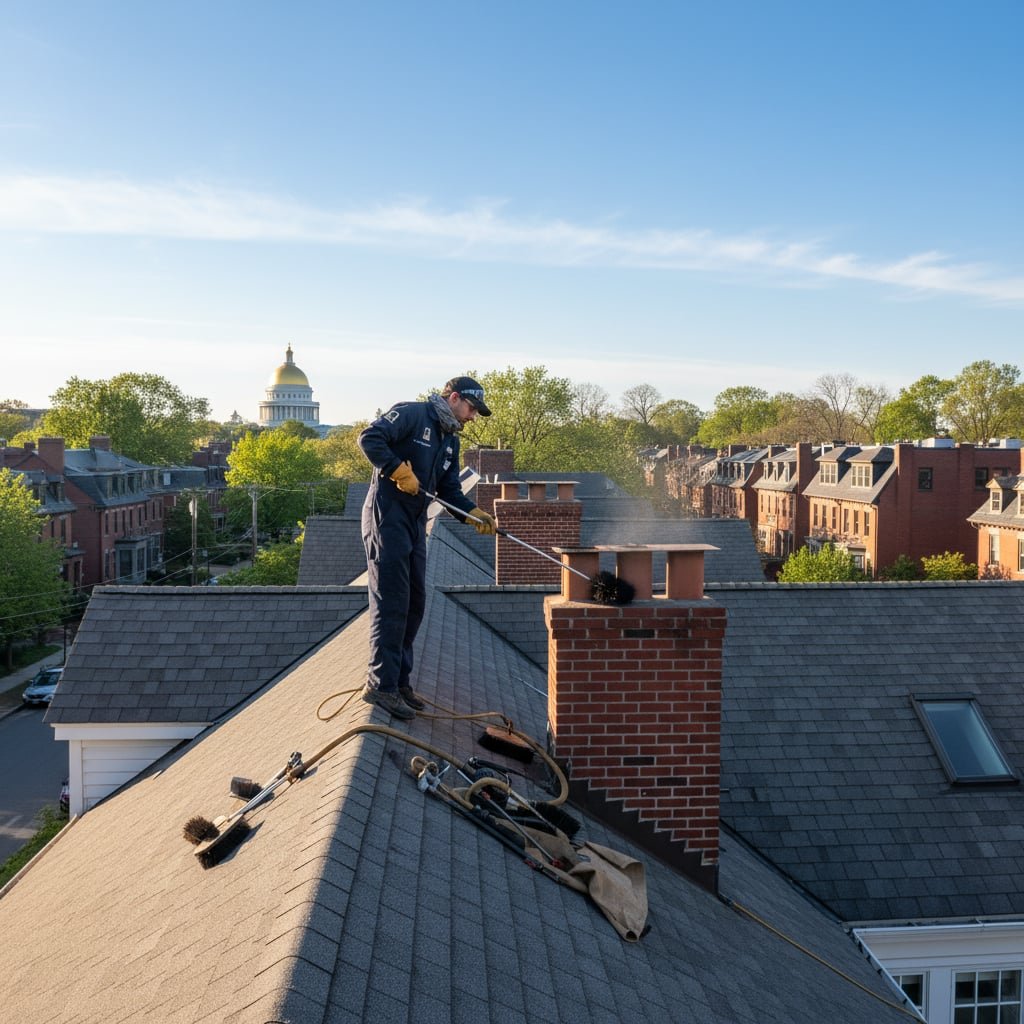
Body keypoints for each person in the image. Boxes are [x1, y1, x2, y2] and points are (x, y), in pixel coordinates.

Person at [357, 376, 498, 719]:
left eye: (477, 412)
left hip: (415, 524)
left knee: (415, 602)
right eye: (471, 408)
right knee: (392, 602)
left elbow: (448, 489)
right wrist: (395, 469)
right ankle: (381, 686)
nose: (473, 416)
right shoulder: (412, 414)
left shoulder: (448, 441)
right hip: (386, 519)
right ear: (453, 398)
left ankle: (400, 681)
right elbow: (369, 438)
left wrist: (473, 514)